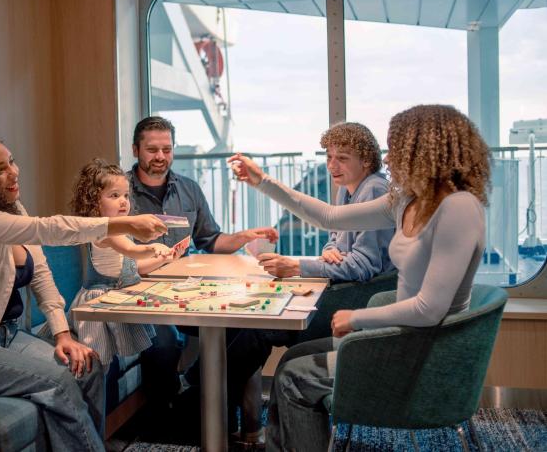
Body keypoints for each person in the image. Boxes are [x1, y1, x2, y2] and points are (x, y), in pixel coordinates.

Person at [229, 105, 491, 451]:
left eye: (397, 148)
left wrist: (357, 316)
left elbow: (429, 309)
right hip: (398, 336)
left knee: (295, 378)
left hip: (421, 352)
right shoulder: (407, 201)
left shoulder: (458, 208)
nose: (389, 157)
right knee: (293, 360)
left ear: (425, 152)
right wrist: (263, 181)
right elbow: (330, 217)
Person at [0, 130, 167, 451]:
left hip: (6, 336)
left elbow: (41, 272)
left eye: (12, 162)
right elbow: (47, 228)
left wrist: (63, 334)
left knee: (87, 367)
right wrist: (125, 224)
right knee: (60, 381)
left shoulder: (12, 208)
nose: (14, 171)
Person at [128, 115, 277, 440]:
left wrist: (242, 237)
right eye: (152, 149)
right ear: (136, 149)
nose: (160, 156)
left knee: (241, 329)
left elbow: (211, 240)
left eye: (166, 149)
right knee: (162, 345)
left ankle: (233, 419)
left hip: (187, 289)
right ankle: (170, 424)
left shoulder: (188, 189)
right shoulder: (121, 193)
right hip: (141, 291)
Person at [39, 159, 174, 369]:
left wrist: (165, 257)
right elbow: (133, 251)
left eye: (126, 195)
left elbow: (133, 266)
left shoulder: (120, 231)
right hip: (100, 302)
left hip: (118, 297)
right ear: (94, 202)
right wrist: (154, 246)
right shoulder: (105, 231)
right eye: (114, 196)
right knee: (103, 359)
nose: (123, 202)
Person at [257, 122, 394, 283]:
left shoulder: (374, 189)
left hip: (365, 292)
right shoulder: (346, 187)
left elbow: (365, 266)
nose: (331, 166)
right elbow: (335, 236)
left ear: (366, 161)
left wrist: (296, 267)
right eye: (329, 157)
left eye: (342, 158)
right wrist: (331, 251)